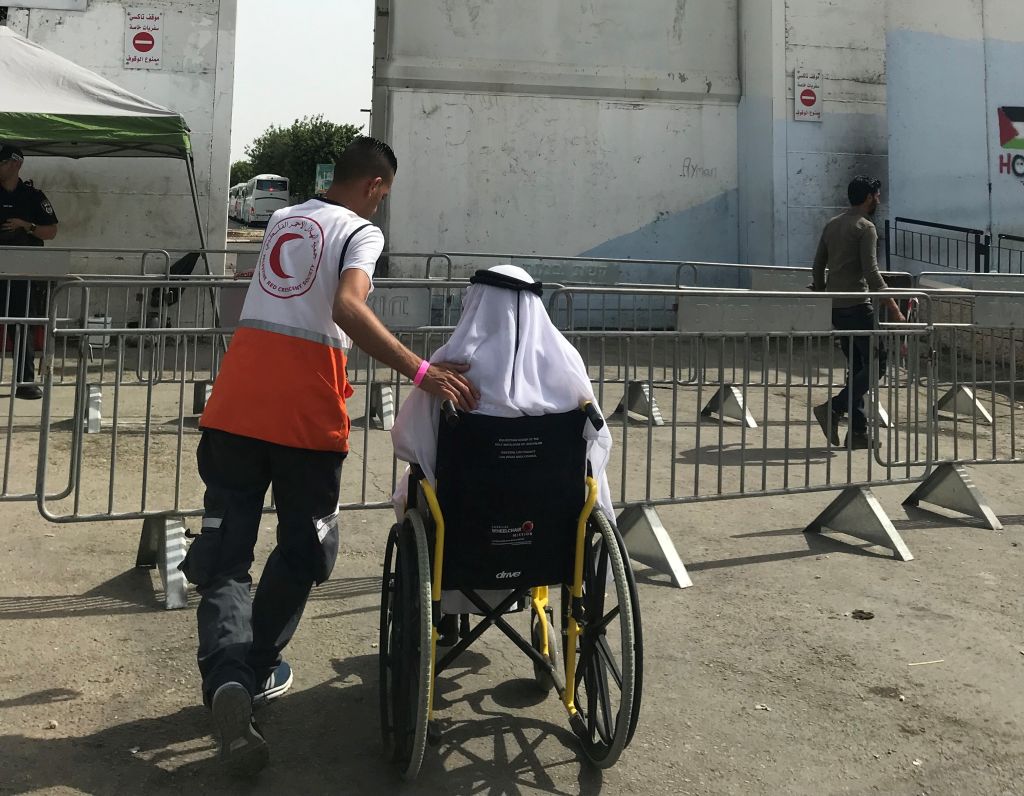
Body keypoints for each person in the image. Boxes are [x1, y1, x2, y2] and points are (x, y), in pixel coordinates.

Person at [180, 137, 479, 775]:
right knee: (306, 547)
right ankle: (256, 669)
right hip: (305, 419)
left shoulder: (285, 220)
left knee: (226, 557)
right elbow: (347, 305)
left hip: (235, 409)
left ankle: (230, 680)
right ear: (375, 186)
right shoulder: (360, 234)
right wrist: (421, 370)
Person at [390, 264, 614, 633]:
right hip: (546, 535)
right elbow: (594, 441)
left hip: (464, 534)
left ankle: (444, 607)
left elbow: (408, 442)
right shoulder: (566, 365)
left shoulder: (451, 366)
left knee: (415, 491)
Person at [811, 175, 905, 449]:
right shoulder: (865, 227)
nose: (878, 199)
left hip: (836, 307)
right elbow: (872, 274)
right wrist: (895, 308)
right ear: (868, 197)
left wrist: (821, 291)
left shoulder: (833, 225)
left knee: (858, 368)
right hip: (857, 305)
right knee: (878, 364)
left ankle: (859, 433)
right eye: (877, 195)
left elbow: (817, 267)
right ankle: (835, 407)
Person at [0, 144, 59, 399]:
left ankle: (25, 381)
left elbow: (51, 231)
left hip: (22, 273)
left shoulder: (32, 196)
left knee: (22, 324)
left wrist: (27, 226)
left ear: (16, 164)